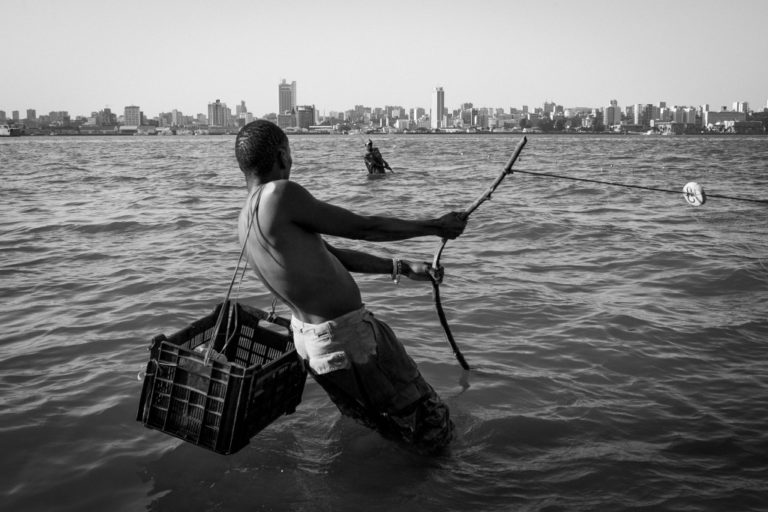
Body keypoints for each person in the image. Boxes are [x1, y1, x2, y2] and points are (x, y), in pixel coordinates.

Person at [235, 120, 467, 454]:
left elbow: (332, 256)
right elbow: (362, 227)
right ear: (282, 155)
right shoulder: (280, 194)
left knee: (389, 428)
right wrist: (435, 226)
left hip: (313, 346)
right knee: (431, 429)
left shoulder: (245, 219)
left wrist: (401, 267)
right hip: (348, 340)